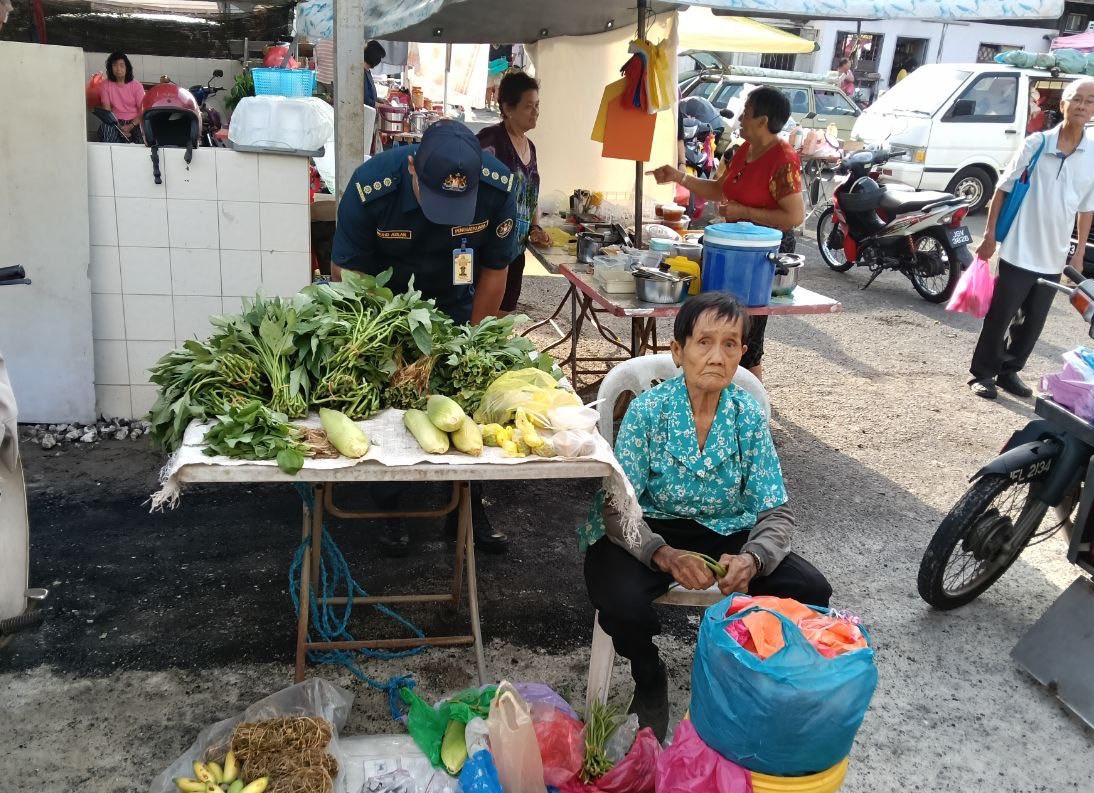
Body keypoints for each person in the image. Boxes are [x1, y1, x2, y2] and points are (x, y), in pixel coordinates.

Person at [581, 292, 831, 739]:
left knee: (810, 590)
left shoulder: (746, 415)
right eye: (704, 342)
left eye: (730, 344)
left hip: (726, 530)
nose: (717, 356)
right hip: (653, 528)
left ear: (742, 353)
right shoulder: (647, 411)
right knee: (616, 593)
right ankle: (647, 672)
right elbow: (619, 508)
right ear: (678, 351)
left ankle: (750, 675)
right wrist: (664, 555)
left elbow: (775, 511)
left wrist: (752, 558)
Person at [331, 120, 521, 554]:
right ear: (413, 168)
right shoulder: (372, 187)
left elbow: (496, 271)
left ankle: (467, 503)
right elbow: (347, 273)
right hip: (386, 305)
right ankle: (389, 503)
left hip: (457, 304)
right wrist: (382, 335)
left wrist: (472, 344)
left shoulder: (497, 187)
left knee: (465, 399)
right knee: (391, 400)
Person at [648, 86, 804, 381]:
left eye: (747, 112)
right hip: (731, 248)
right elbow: (719, 189)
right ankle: (711, 391)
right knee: (718, 324)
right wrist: (678, 176)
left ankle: (753, 404)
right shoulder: (743, 150)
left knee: (746, 340)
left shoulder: (783, 159)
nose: (740, 118)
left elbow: (793, 216)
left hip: (762, 255)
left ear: (763, 120)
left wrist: (744, 212)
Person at [968, 78, 1094, 400]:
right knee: (1001, 315)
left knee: (1032, 323)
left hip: (1054, 255)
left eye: (1089, 101)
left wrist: (1079, 253)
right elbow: (1002, 188)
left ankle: (1009, 371)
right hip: (1019, 248)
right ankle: (983, 373)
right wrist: (989, 235)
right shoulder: (1037, 143)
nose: (1082, 105)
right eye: (1076, 99)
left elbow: (1087, 208)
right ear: (1063, 104)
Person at [477, 71, 549, 313]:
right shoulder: (490, 142)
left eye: (537, 105)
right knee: (482, 317)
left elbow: (531, 194)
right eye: (528, 106)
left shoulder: (532, 147)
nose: (535, 112)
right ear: (508, 108)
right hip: (488, 248)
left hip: (516, 250)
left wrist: (535, 227)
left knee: (505, 314)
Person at [97, 52, 145, 144]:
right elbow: (107, 112)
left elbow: (143, 111)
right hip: (115, 123)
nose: (118, 69)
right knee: (105, 128)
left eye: (122, 65)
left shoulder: (136, 85)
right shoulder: (105, 85)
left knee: (144, 135)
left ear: (127, 67)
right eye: (115, 65)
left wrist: (130, 126)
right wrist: (120, 128)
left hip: (135, 122)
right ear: (110, 68)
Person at [364, 40, 385, 108]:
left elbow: (369, 95)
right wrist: (383, 106)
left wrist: (378, 99)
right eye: (379, 58)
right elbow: (365, 100)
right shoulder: (362, 74)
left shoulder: (367, 71)